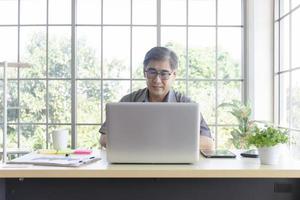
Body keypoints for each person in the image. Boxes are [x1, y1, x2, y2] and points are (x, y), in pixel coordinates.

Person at [99, 46, 214, 150]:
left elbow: (208, 143)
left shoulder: (187, 104)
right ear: (144, 73)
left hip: (175, 167)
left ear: (174, 75)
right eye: (152, 72)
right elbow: (104, 138)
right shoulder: (128, 101)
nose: (157, 80)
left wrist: (164, 143)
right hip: (135, 165)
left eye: (164, 73)